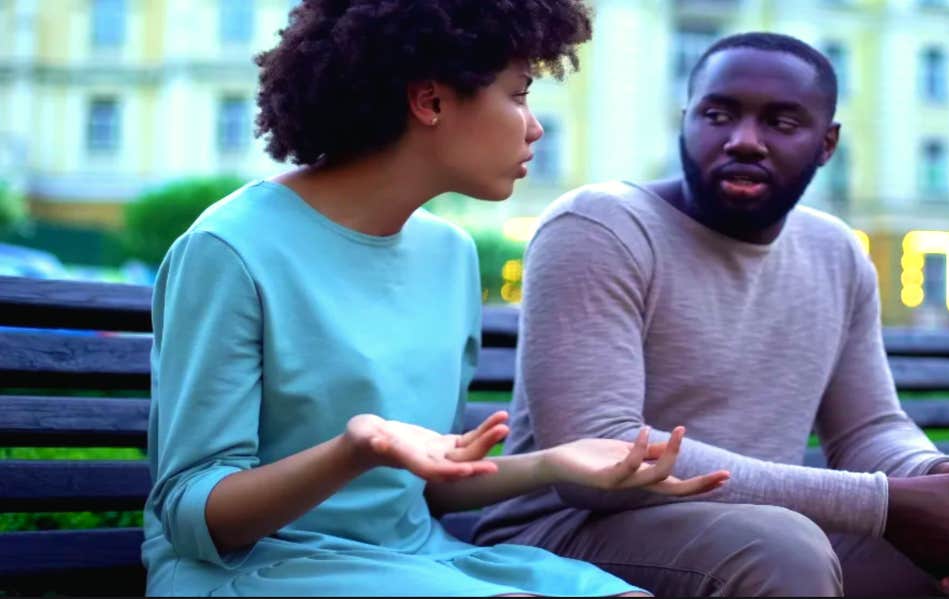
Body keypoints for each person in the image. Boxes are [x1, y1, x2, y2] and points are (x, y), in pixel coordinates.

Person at [474, 32, 949, 597]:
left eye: (781, 122)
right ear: (685, 121)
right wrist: (885, 503)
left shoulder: (835, 250)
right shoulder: (601, 226)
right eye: (718, 115)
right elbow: (602, 454)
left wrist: (939, 480)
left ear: (827, 142)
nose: (744, 140)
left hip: (767, 530)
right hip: (570, 535)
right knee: (780, 545)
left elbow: (869, 428)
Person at [141, 1, 729, 596]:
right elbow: (195, 515)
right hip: (257, 568)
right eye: (519, 93)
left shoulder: (449, 255)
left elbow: (431, 481)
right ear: (431, 102)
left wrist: (556, 462)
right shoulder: (228, 249)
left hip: (414, 557)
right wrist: (357, 447)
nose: (534, 127)